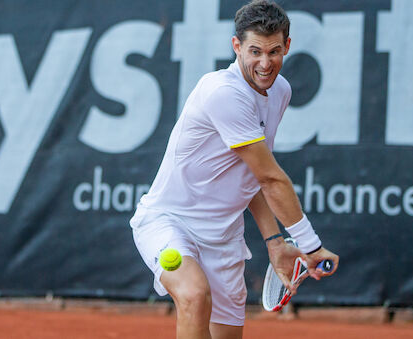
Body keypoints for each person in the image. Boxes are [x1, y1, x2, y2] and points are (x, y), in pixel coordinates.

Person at [129, 1, 339, 338]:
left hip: (224, 236)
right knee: (194, 296)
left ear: (287, 45)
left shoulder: (279, 91)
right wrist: (310, 247)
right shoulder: (222, 92)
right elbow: (271, 178)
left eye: (273, 51)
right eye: (255, 51)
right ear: (236, 46)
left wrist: (275, 242)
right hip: (169, 222)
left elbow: (254, 175)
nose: (265, 63)